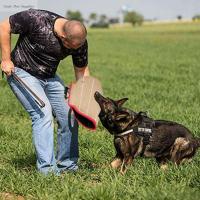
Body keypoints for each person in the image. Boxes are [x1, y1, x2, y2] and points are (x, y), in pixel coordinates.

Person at [0, 9, 90, 175]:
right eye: (71, 47)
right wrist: (5, 60)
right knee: (43, 113)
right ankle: (47, 171)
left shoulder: (78, 42)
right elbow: (3, 27)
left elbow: (82, 71)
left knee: (70, 114)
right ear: (63, 37)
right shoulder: (36, 19)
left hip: (49, 77)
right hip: (21, 72)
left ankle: (68, 166)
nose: (75, 50)